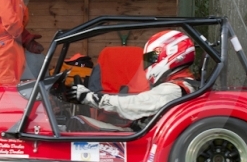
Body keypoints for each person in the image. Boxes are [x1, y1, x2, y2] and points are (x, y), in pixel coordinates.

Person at [68, 30, 199, 125]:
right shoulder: (182, 85)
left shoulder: (174, 89)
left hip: (145, 141)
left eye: (152, 58)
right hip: (144, 132)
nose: (148, 64)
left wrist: (90, 98)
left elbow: (133, 104)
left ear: (171, 54)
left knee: (77, 122)